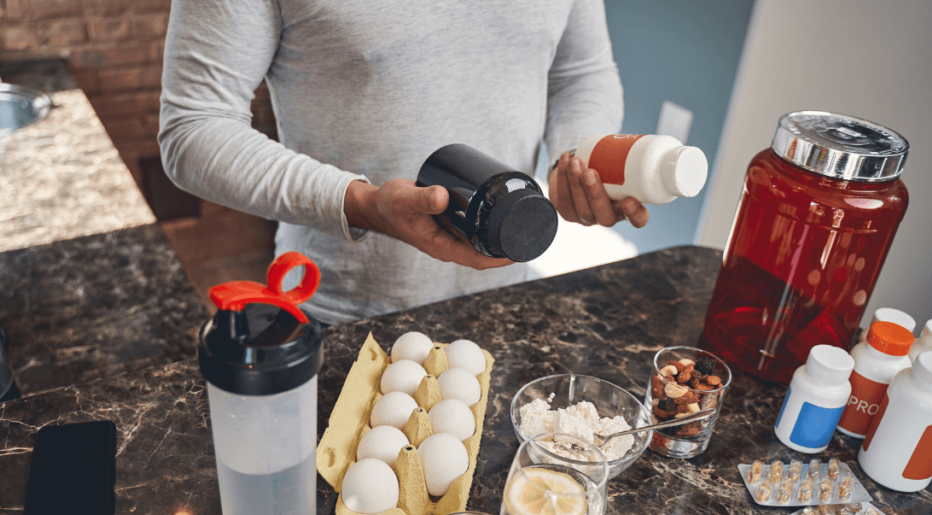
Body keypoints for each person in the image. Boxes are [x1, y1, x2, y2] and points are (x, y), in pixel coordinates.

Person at [159, 0, 649, 324]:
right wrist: (364, 204)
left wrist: (577, 159)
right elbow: (195, 127)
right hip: (338, 313)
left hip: (502, 296)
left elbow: (580, 73)